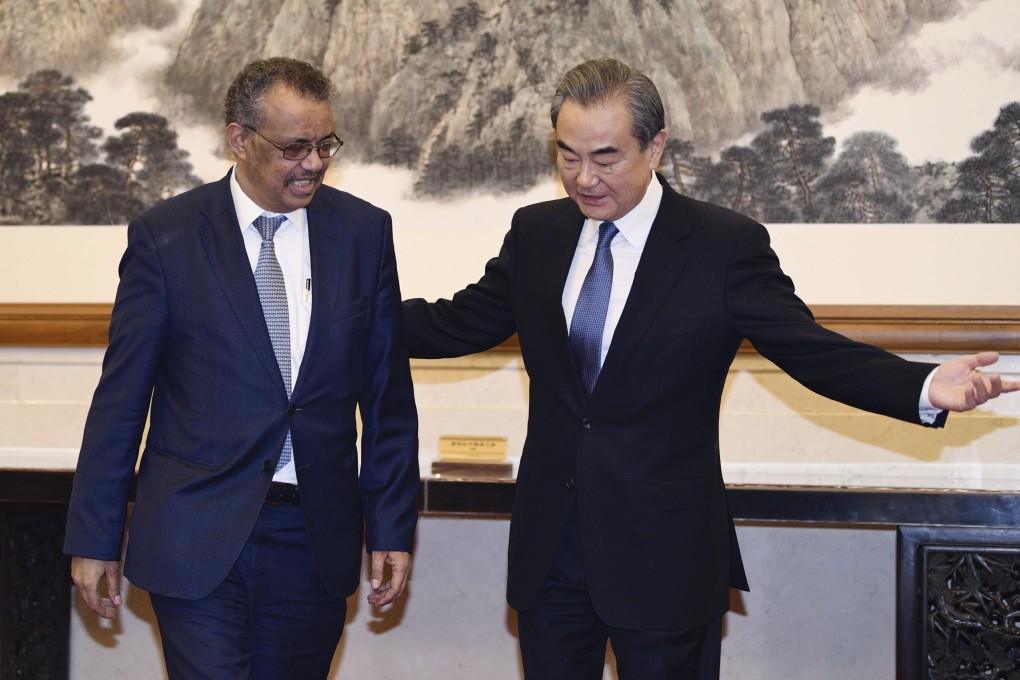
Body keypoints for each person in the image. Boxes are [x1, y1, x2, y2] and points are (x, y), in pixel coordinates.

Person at [402, 57, 1019, 679]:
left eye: (606, 158)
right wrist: (338, 322)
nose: (583, 178)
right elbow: (457, 322)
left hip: (666, 556)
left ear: (656, 146)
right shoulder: (537, 233)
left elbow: (809, 350)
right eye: (567, 156)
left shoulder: (722, 246)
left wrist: (922, 384)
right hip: (552, 552)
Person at [64, 57, 419, 680]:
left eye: (325, 144)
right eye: (293, 147)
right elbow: (121, 399)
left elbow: (388, 396)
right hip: (194, 530)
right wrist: (94, 538)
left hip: (313, 534)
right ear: (239, 140)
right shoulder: (165, 236)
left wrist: (391, 524)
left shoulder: (363, 233)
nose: (313, 162)